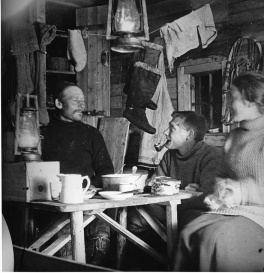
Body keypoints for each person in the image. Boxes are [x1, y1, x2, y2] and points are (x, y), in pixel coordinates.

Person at [172, 73, 264, 272]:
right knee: (186, 233)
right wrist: (218, 195)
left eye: (233, 98)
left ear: (250, 101)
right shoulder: (233, 137)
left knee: (214, 238)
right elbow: (221, 176)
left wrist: (243, 192)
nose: (228, 104)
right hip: (233, 212)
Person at [41, 81, 114, 266]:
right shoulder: (44, 133)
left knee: (101, 230)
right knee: (66, 243)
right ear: (58, 104)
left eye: (83, 100)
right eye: (75, 100)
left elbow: (106, 170)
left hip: (88, 201)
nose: (82, 105)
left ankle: (96, 265)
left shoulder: (92, 134)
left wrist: (87, 193)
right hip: (55, 203)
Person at [128, 111, 222, 232]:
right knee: (133, 219)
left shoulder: (211, 156)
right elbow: (154, 186)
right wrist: (185, 195)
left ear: (189, 135)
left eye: (172, 128)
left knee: (190, 220)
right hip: (167, 211)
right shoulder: (169, 155)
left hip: (199, 217)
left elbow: (207, 199)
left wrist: (173, 200)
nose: (165, 132)